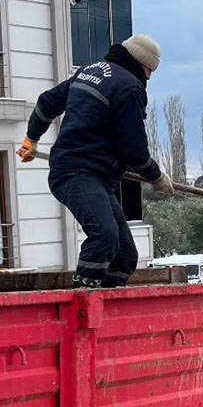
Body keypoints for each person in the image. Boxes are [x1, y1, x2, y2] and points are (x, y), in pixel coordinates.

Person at [18, 35, 173, 288]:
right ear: (138, 63)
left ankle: (108, 310)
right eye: (148, 69)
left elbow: (47, 102)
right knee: (104, 235)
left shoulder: (89, 72)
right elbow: (134, 150)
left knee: (124, 255)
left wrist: (31, 138)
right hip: (76, 174)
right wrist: (156, 177)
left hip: (92, 176)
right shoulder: (129, 87)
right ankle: (84, 301)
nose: (149, 77)